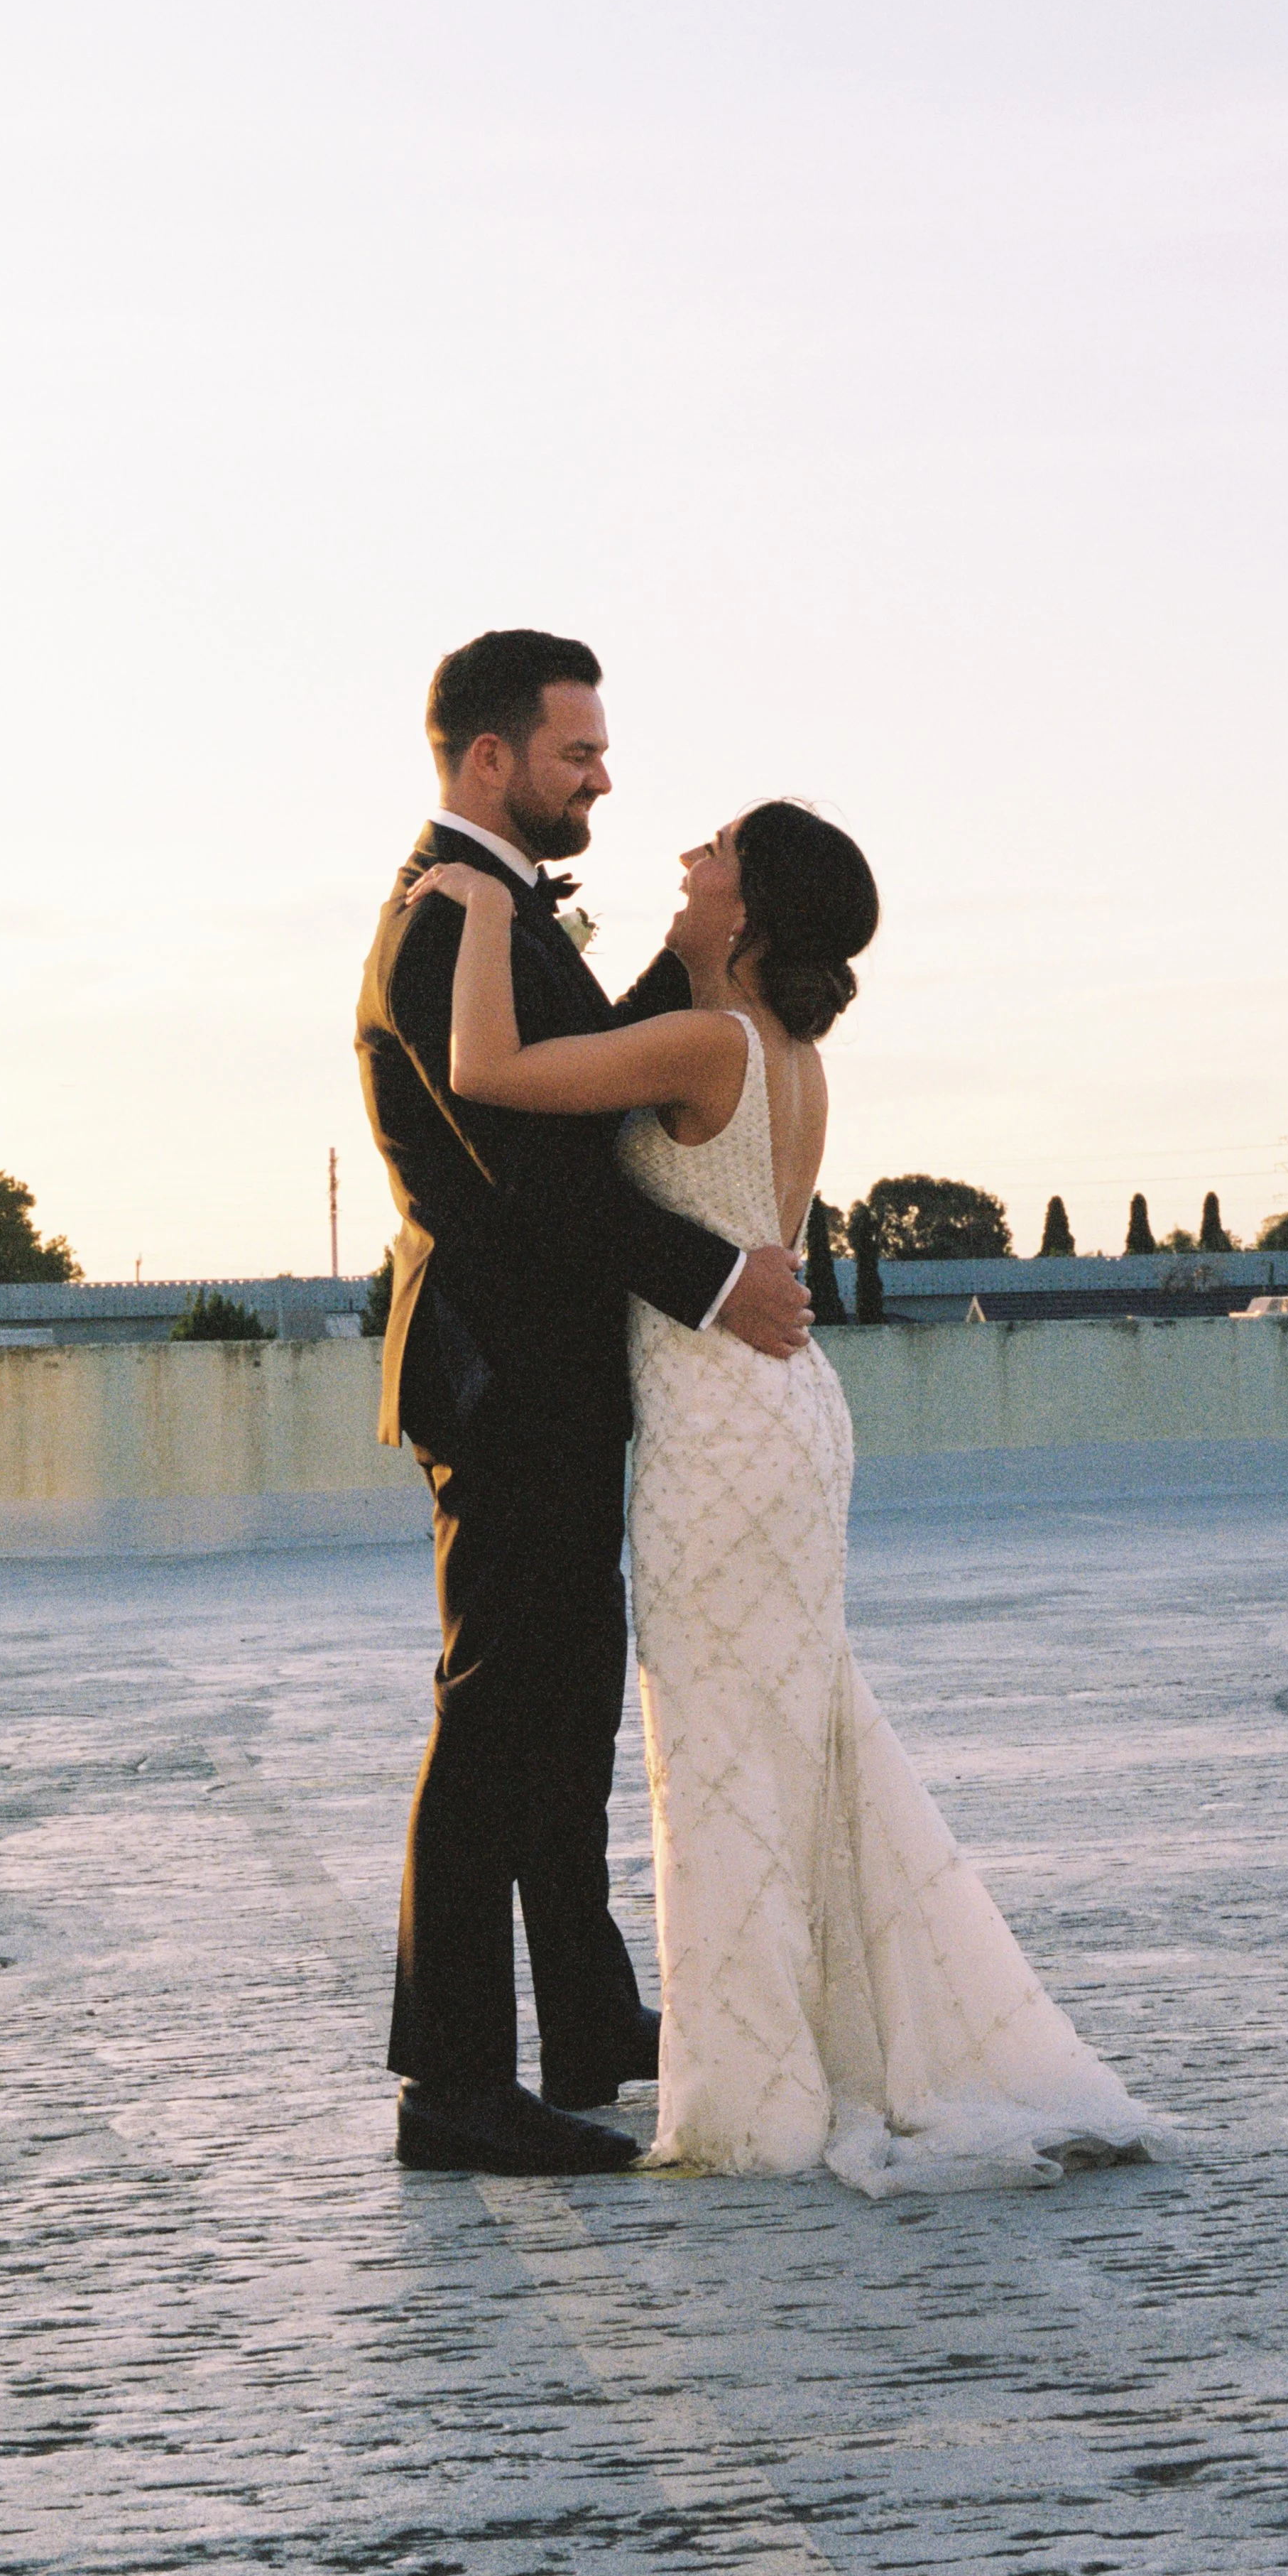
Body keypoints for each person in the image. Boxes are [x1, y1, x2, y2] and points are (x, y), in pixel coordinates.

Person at [409, 800, 1164, 2195]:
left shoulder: (710, 1045)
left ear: (746, 910)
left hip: (725, 1438)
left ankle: (754, 2097)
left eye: (712, 853)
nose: (687, 860)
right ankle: (812, 2048)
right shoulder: (778, 1046)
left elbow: (482, 1067)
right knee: (788, 1737)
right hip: (781, 1415)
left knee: (724, 1758)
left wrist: (483, 915)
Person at [356, 631, 814, 2180]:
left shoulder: (494, 908)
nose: (603, 779)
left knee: (565, 1711)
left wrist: (679, 984)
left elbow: (583, 1069)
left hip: (551, 1374)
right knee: (496, 1718)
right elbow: (531, 1170)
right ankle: (455, 2091)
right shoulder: (440, 919)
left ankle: (586, 2024)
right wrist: (707, 1278)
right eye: (578, 755)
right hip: (498, 1376)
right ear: (490, 758)